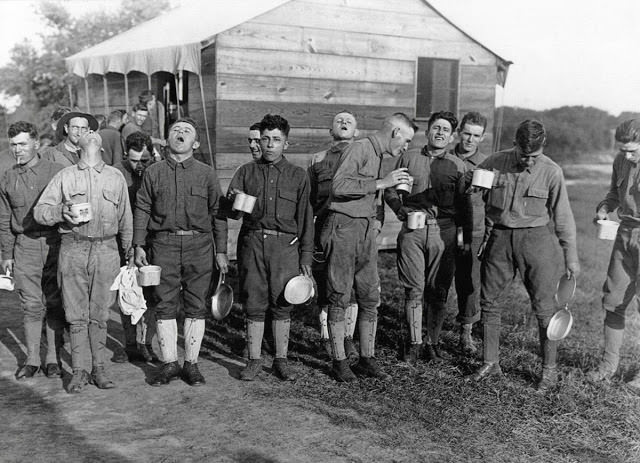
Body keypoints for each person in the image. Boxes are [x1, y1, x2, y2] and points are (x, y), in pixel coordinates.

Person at [468, 119, 579, 392]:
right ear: (515, 144)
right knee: (489, 302)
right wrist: (472, 187)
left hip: (537, 241)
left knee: (545, 309)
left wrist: (571, 256)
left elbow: (563, 217)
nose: (528, 161)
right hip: (500, 239)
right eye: (523, 155)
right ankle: (490, 362)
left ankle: (549, 371)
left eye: (534, 156)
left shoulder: (552, 171)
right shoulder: (495, 162)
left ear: (543, 148)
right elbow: (470, 187)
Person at [35, 131, 133, 393]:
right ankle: (79, 370)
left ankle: (99, 368)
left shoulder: (115, 176)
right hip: (73, 248)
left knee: (100, 313)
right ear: (77, 146)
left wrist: (129, 250)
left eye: (94, 130)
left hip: (106, 249)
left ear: (102, 147)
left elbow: (126, 218)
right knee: (76, 314)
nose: (90, 134)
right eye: (84, 132)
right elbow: (40, 212)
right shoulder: (65, 176)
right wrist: (60, 212)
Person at [133, 118, 229, 387]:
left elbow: (218, 215)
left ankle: (192, 365)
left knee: (196, 305)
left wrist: (221, 250)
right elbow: (142, 209)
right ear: (166, 141)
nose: (181, 133)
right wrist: (138, 244)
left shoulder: (207, 174)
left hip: (200, 246)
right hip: (163, 245)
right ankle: (169, 364)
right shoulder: (153, 172)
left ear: (195, 143)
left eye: (187, 131)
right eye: (175, 130)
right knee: (164, 304)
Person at [323, 112, 416, 382]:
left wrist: (382, 212)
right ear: (395, 132)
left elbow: (375, 195)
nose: (406, 147)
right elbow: (339, 186)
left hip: (364, 230)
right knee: (339, 295)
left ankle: (366, 358)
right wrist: (381, 182)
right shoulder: (359, 148)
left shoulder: (378, 156)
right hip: (343, 227)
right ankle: (339, 361)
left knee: (369, 295)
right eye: (406, 140)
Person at [231, 114, 313, 382]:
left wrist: (306, 257)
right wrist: (232, 201)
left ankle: (281, 360)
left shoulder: (298, 176)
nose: (269, 145)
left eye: (276, 140)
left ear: (286, 144)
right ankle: (254, 360)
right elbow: (232, 214)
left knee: (282, 303)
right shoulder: (246, 172)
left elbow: (305, 220)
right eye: (265, 139)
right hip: (253, 243)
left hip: (285, 247)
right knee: (253, 302)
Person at [384, 111, 470, 365]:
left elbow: (466, 207)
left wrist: (464, 238)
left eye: (446, 130)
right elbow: (390, 189)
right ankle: (413, 342)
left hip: (444, 232)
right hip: (413, 231)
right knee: (414, 288)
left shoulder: (458, 166)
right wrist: (399, 209)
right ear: (428, 130)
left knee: (439, 290)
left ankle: (432, 343)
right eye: (437, 128)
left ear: (452, 135)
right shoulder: (408, 157)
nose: (441, 133)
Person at [0, 122, 65, 379]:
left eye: (23, 143)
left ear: (36, 143)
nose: (18, 149)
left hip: (54, 244)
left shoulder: (57, 172)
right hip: (24, 245)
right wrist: (6, 254)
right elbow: (4, 219)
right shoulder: (7, 177)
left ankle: (52, 360)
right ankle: (32, 360)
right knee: (30, 304)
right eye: (13, 144)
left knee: (54, 302)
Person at [589, 119, 640, 390]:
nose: (627, 155)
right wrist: (604, 208)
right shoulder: (620, 161)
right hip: (624, 234)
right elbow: (613, 193)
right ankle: (608, 366)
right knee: (613, 300)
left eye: (633, 150)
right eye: (623, 150)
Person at [308, 110, 361, 361]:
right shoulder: (318, 159)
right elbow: (308, 199)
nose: (343, 123)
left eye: (349, 121)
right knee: (323, 281)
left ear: (356, 132)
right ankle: (325, 337)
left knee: (348, 282)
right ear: (331, 131)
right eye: (338, 120)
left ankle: (347, 337)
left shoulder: (364, 157)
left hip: (352, 228)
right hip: (323, 225)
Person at [111, 132, 157, 364]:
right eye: (134, 160)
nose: (140, 165)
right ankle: (130, 344)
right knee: (127, 290)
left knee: (151, 293)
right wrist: (127, 245)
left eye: (145, 160)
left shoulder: (158, 171)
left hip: (153, 239)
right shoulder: (115, 173)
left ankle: (146, 343)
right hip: (123, 240)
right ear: (125, 155)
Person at [451, 112, 489, 353]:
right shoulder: (445, 156)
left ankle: (466, 331)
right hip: (444, 227)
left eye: (476, 135)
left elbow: (492, 202)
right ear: (459, 132)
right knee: (437, 278)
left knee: (469, 279)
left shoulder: (487, 165)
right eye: (466, 133)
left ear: (482, 137)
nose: (470, 140)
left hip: (470, 231)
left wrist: (487, 234)